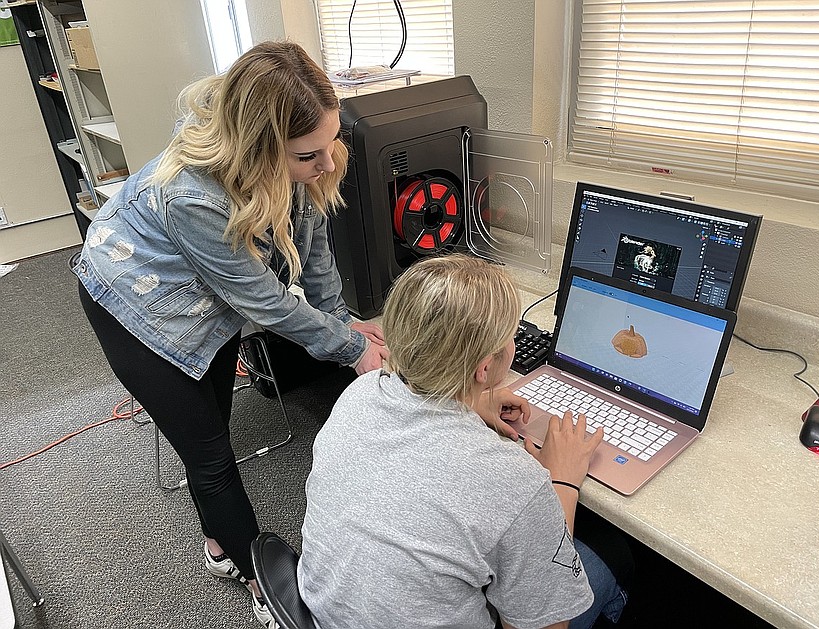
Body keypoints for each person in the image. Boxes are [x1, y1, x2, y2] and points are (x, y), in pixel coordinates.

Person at [73, 41, 388, 628]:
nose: (328, 162)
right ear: (260, 150)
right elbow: (264, 303)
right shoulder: (193, 193)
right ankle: (257, 576)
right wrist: (350, 349)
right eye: (308, 155)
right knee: (210, 452)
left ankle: (219, 540)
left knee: (211, 420)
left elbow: (311, 234)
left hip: (203, 293)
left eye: (332, 141)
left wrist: (340, 317)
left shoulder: (297, 154)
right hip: (138, 305)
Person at [298, 254, 629, 629]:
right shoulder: (513, 481)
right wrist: (562, 482)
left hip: (326, 615)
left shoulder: (361, 392)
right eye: (512, 335)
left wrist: (472, 401)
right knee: (612, 553)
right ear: (486, 367)